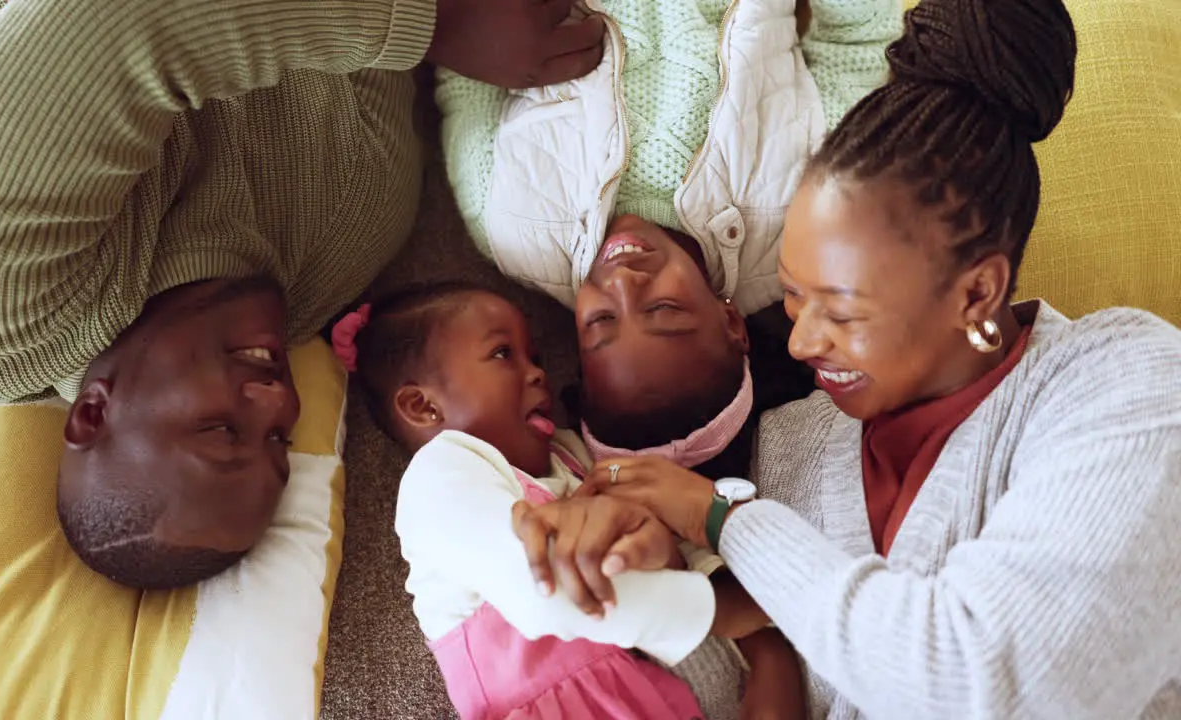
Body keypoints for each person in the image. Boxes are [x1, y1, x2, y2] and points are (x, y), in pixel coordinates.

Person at [511, 0, 1181, 716]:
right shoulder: (794, 442)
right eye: (795, 299)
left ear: (977, 290)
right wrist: (641, 576)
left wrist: (721, 522)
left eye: (842, 311)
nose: (800, 343)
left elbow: (982, 681)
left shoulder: (1131, 381)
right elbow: (771, 659)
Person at [0, 0, 604, 589]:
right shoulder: (352, 222)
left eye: (220, 428)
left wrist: (437, 21)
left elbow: (127, 21)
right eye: (276, 439)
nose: (279, 400)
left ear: (93, 411)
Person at [439, 0, 902, 461]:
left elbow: (466, 79)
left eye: (602, 321)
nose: (621, 283)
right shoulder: (800, 216)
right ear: (730, 323)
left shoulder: (510, 228)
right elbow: (856, 49)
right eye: (662, 307)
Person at [331, 282, 803, 720]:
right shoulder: (439, 476)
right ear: (423, 407)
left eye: (534, 356)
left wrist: (762, 644)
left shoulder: (570, 455)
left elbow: (670, 526)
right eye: (502, 353)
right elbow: (548, 593)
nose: (538, 373)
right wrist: (729, 608)